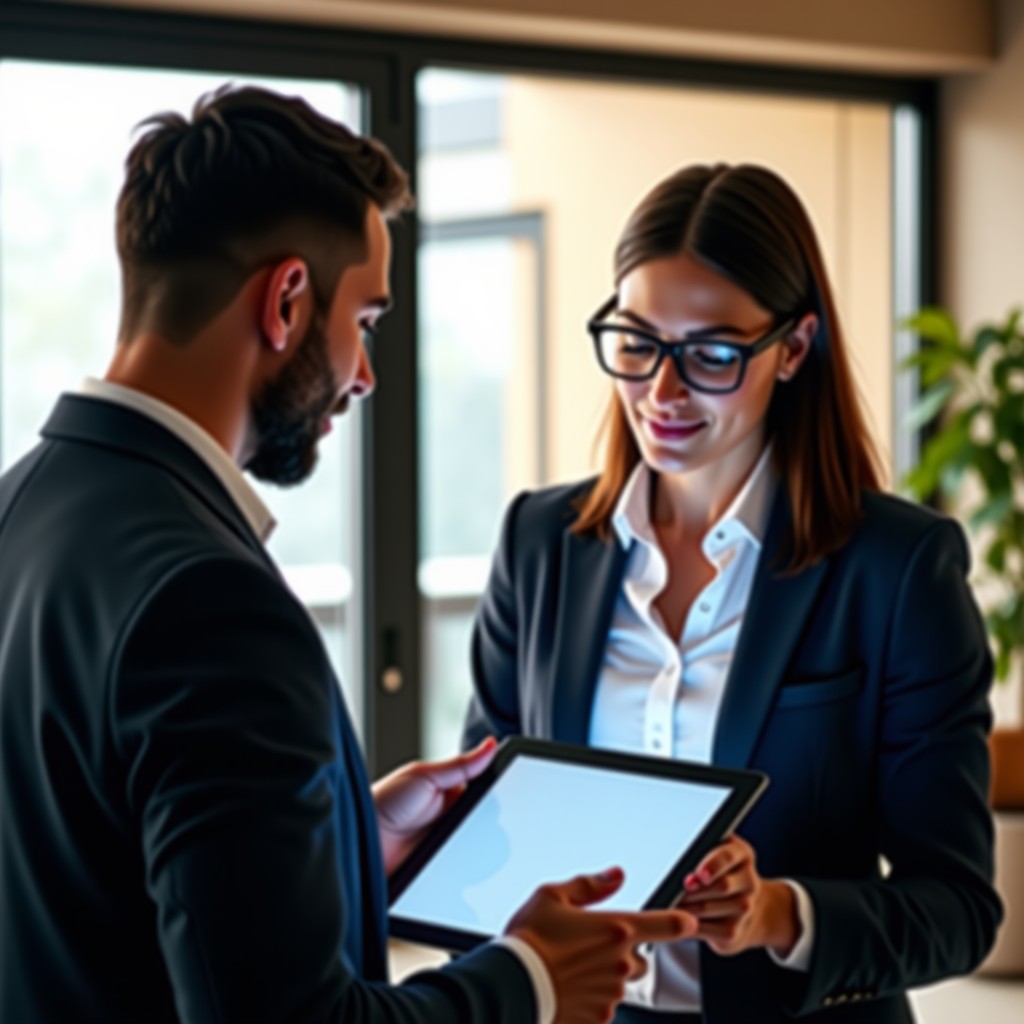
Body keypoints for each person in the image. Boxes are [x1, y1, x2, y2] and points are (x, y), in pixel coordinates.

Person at [0, 85, 698, 1024]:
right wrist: (529, 980)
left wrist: (344, 840)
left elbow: (89, 868)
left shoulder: (22, 508)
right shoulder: (212, 601)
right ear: (287, 300)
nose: (366, 375)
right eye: (365, 323)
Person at [463, 163, 1002, 1023]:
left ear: (792, 348)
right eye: (636, 343)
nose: (662, 392)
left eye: (712, 354)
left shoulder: (895, 569)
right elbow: (480, 838)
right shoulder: (539, 545)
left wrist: (778, 914)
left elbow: (959, 909)